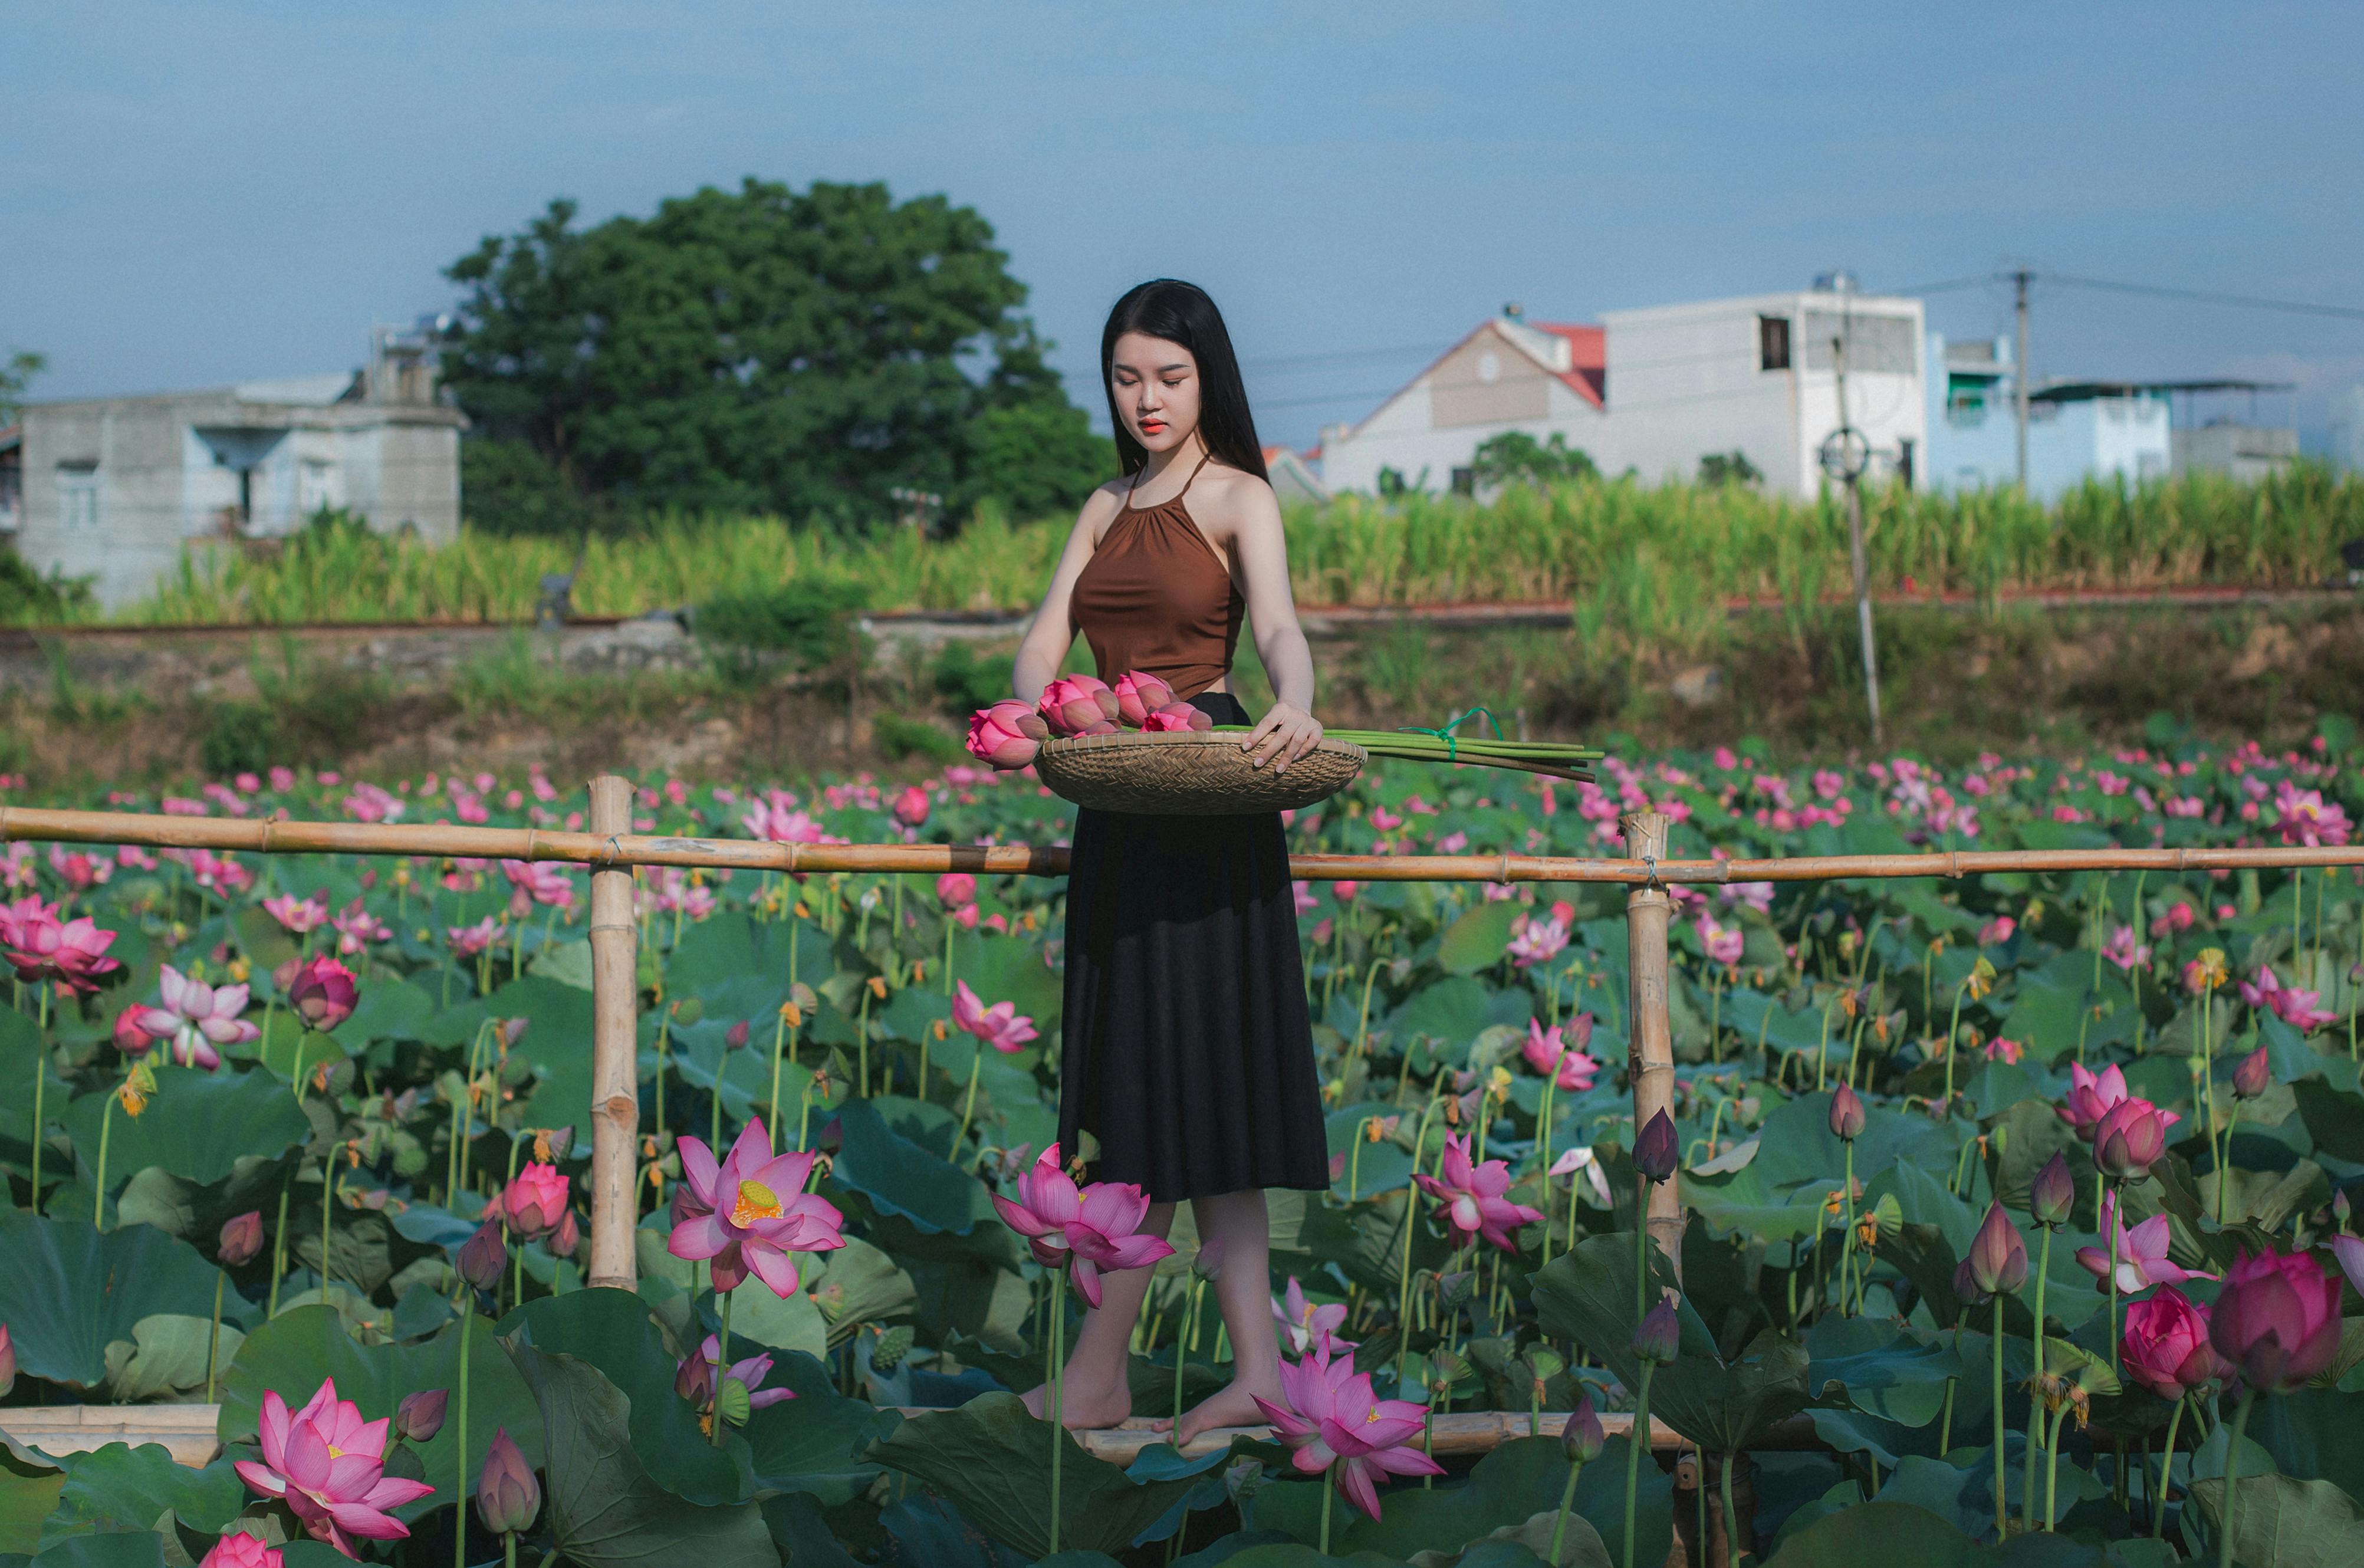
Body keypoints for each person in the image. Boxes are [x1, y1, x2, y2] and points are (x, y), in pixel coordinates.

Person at [1009, 278, 1330, 1441]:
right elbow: (1044, 635)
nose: (1145, 398)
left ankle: (1104, 1368)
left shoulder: (1242, 494)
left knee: (1189, 1075)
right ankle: (1251, 1367)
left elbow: (1283, 626)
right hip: (1115, 790)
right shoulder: (1102, 503)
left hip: (1209, 784)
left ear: (1208, 380)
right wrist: (1033, 711)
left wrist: (1294, 706)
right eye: (1126, 376)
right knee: (1156, 1076)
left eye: (1169, 377)